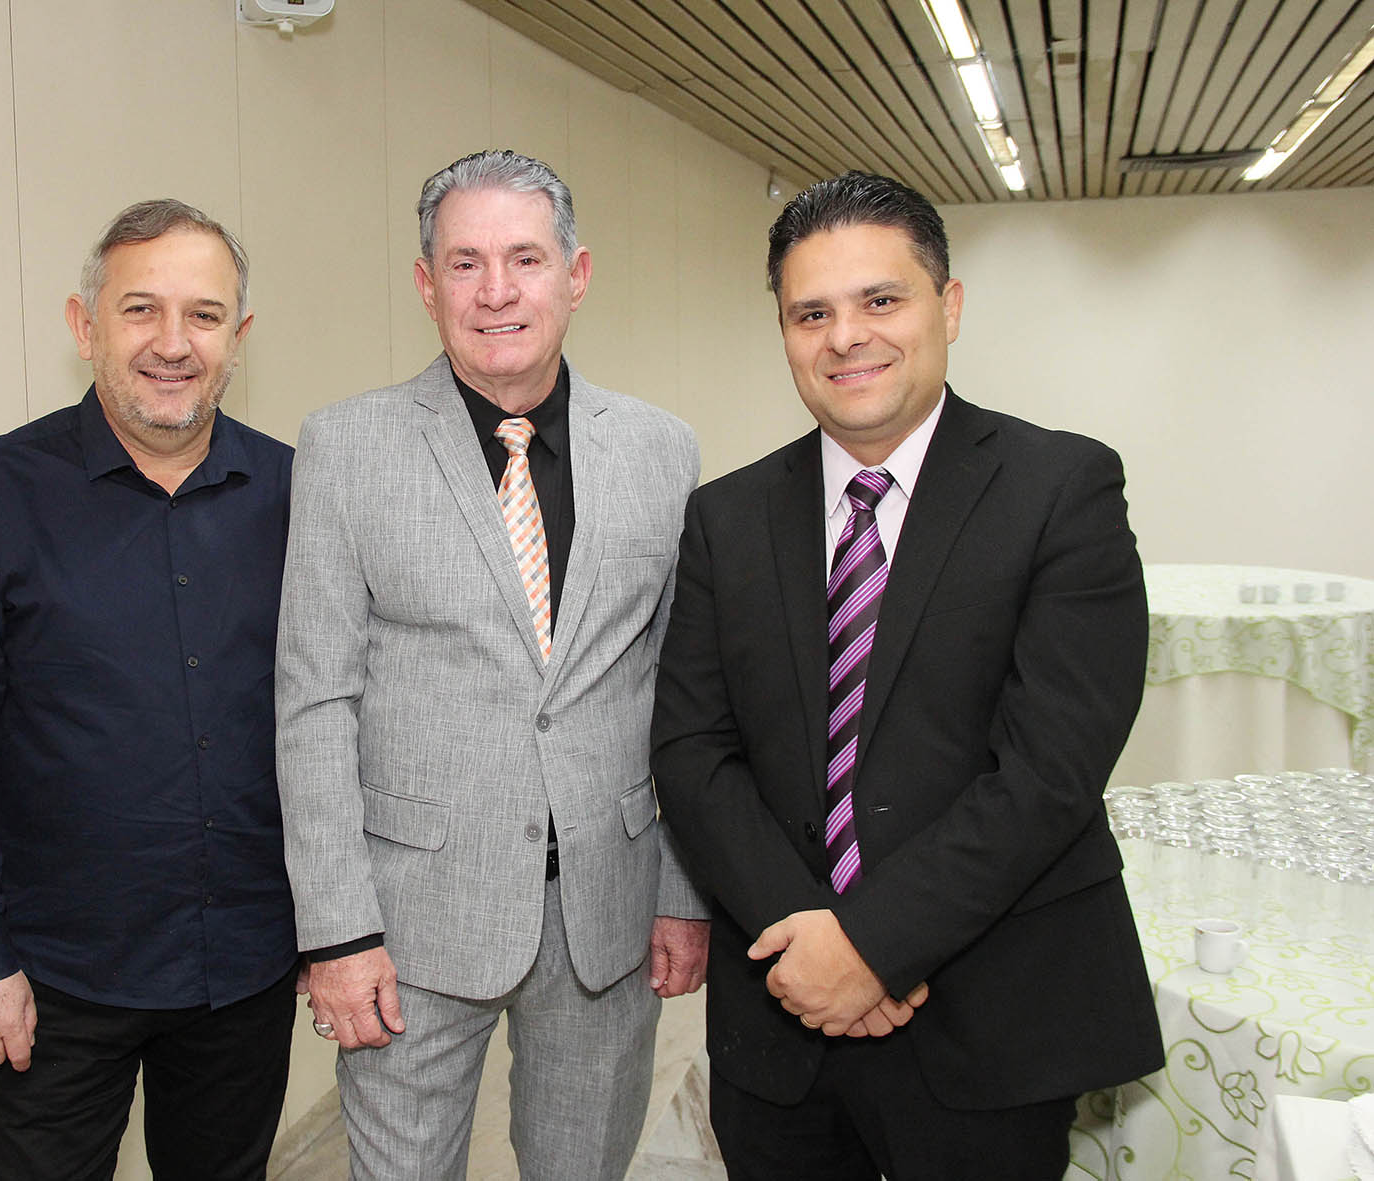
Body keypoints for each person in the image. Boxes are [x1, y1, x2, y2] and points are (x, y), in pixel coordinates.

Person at [650, 171, 1163, 1180]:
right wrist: (813, 949)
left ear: (948, 305)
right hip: (781, 1013)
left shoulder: (1061, 488)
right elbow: (692, 750)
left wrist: (871, 946)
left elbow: (1049, 770)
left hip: (992, 1020)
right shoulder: (725, 517)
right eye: (811, 313)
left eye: (879, 299)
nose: (846, 337)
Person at [275, 149, 710, 1180]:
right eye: (464, 263)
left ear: (576, 273)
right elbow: (313, 704)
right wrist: (336, 933)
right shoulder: (345, 448)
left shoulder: (661, 451)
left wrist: (682, 890)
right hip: (409, 925)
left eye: (524, 258)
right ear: (426, 284)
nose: (496, 290)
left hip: (606, 914)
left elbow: (687, 695)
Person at [0, 199, 297, 1180]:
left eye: (203, 315)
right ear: (85, 326)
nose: (173, 343)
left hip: (244, 967)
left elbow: (339, 721)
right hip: (52, 979)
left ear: (237, 337)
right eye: (139, 308)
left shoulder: (301, 495)